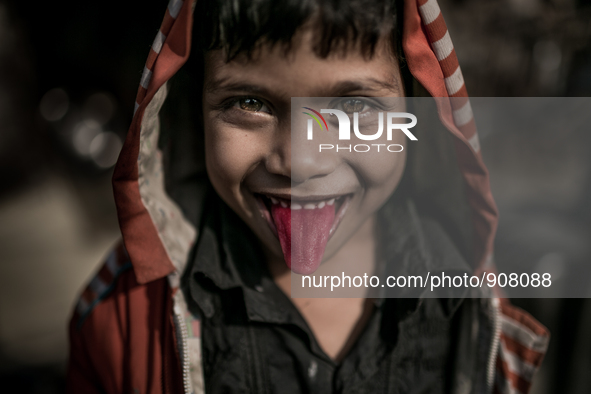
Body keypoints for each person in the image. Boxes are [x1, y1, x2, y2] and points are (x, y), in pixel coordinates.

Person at [66, 0, 550, 393]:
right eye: (249, 103)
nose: (299, 160)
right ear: (192, 110)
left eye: (354, 105)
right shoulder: (124, 317)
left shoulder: (470, 308)